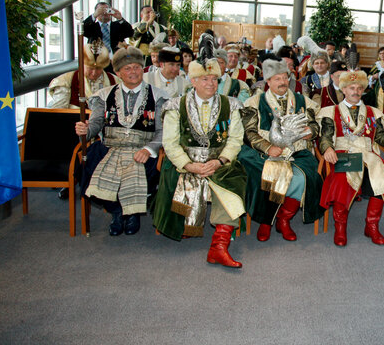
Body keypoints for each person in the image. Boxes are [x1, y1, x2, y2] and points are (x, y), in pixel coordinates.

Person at [151, 56, 248, 268]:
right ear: (193, 82)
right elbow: (170, 143)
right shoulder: (175, 106)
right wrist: (188, 165)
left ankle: (219, 246)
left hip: (219, 162)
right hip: (185, 162)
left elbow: (235, 139)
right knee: (176, 177)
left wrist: (220, 161)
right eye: (204, 79)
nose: (211, 83)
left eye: (214, 78)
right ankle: (184, 226)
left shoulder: (231, 105)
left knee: (232, 181)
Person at [75, 47, 165, 236]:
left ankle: (132, 214)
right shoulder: (104, 95)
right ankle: (117, 212)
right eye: (128, 68)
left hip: (142, 148)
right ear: (118, 73)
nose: (133, 72)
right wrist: (86, 130)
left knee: (151, 167)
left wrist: (149, 150)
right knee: (87, 164)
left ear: (143, 69)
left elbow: (163, 131)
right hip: (110, 146)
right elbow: (96, 123)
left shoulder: (159, 96)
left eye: (137, 67)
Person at [317, 69, 384, 246]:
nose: (355, 91)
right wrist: (327, 148)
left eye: (359, 88)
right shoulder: (330, 112)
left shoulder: (373, 113)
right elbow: (325, 137)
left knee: (382, 177)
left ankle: (371, 225)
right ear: (344, 90)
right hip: (343, 153)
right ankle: (340, 227)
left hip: (368, 154)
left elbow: (381, 139)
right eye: (351, 88)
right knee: (342, 180)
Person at [239, 58, 323, 242]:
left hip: (298, 150)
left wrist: (311, 132)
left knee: (305, 177)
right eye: (277, 79)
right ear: (267, 81)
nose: (283, 82)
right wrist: (268, 147)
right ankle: (266, 221)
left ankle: (283, 219)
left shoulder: (301, 100)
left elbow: (315, 124)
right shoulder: (254, 102)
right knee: (269, 175)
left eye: (285, 77)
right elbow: (248, 132)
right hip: (264, 152)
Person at [48, 39, 117, 109]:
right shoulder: (65, 81)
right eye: (90, 68)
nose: (94, 73)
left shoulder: (116, 81)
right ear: (81, 64)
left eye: (98, 69)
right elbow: (58, 113)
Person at [299, 41, 334, 107]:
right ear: (313, 65)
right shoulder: (306, 80)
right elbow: (304, 99)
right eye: (317, 63)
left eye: (322, 63)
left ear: (327, 64)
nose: (319, 65)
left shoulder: (334, 78)